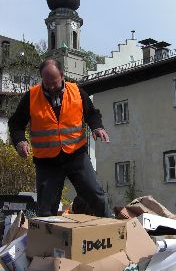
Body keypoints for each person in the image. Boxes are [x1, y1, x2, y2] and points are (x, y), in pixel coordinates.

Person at [8, 58, 112, 217]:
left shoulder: (77, 91)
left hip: (76, 155)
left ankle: (112, 226)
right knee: (46, 209)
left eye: (54, 82)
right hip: (47, 162)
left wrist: (97, 127)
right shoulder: (31, 96)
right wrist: (20, 141)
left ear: (62, 76)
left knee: (95, 195)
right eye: (46, 82)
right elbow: (16, 123)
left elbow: (92, 114)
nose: (50, 87)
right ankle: (48, 239)